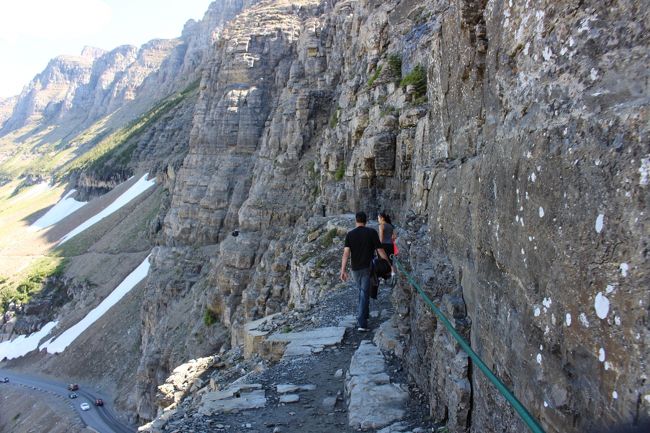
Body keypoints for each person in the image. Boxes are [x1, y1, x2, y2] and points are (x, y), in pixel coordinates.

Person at [340, 211, 389, 331]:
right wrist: (388, 263)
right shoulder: (371, 232)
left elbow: (346, 253)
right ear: (366, 221)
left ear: (356, 221)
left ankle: (364, 315)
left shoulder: (350, 234)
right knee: (364, 293)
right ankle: (362, 323)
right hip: (368, 268)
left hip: (355, 269)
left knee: (362, 293)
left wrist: (343, 270)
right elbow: (380, 250)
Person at [378, 211, 396, 278]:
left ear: (382, 218)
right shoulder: (391, 226)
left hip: (383, 245)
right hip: (391, 245)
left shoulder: (381, 226)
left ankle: (384, 276)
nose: (378, 220)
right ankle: (392, 273)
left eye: (378, 218)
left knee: (383, 261)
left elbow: (381, 238)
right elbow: (394, 237)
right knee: (390, 260)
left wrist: (378, 246)